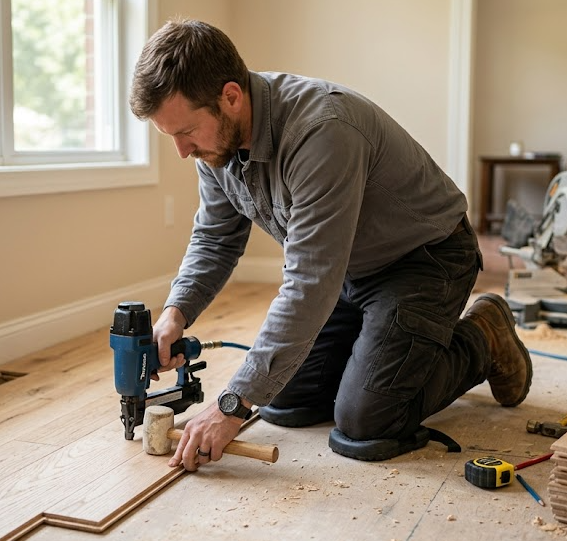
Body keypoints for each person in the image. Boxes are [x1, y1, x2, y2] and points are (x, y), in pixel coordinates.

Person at [129, 18, 532, 472]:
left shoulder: (322, 132)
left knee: (366, 421)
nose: (182, 151)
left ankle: (484, 335)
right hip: (350, 271)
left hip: (424, 259)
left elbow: (309, 283)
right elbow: (216, 238)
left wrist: (231, 404)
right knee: (284, 400)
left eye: (185, 133)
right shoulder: (215, 144)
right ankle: (382, 349)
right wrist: (174, 313)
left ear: (231, 97)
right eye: (172, 138)